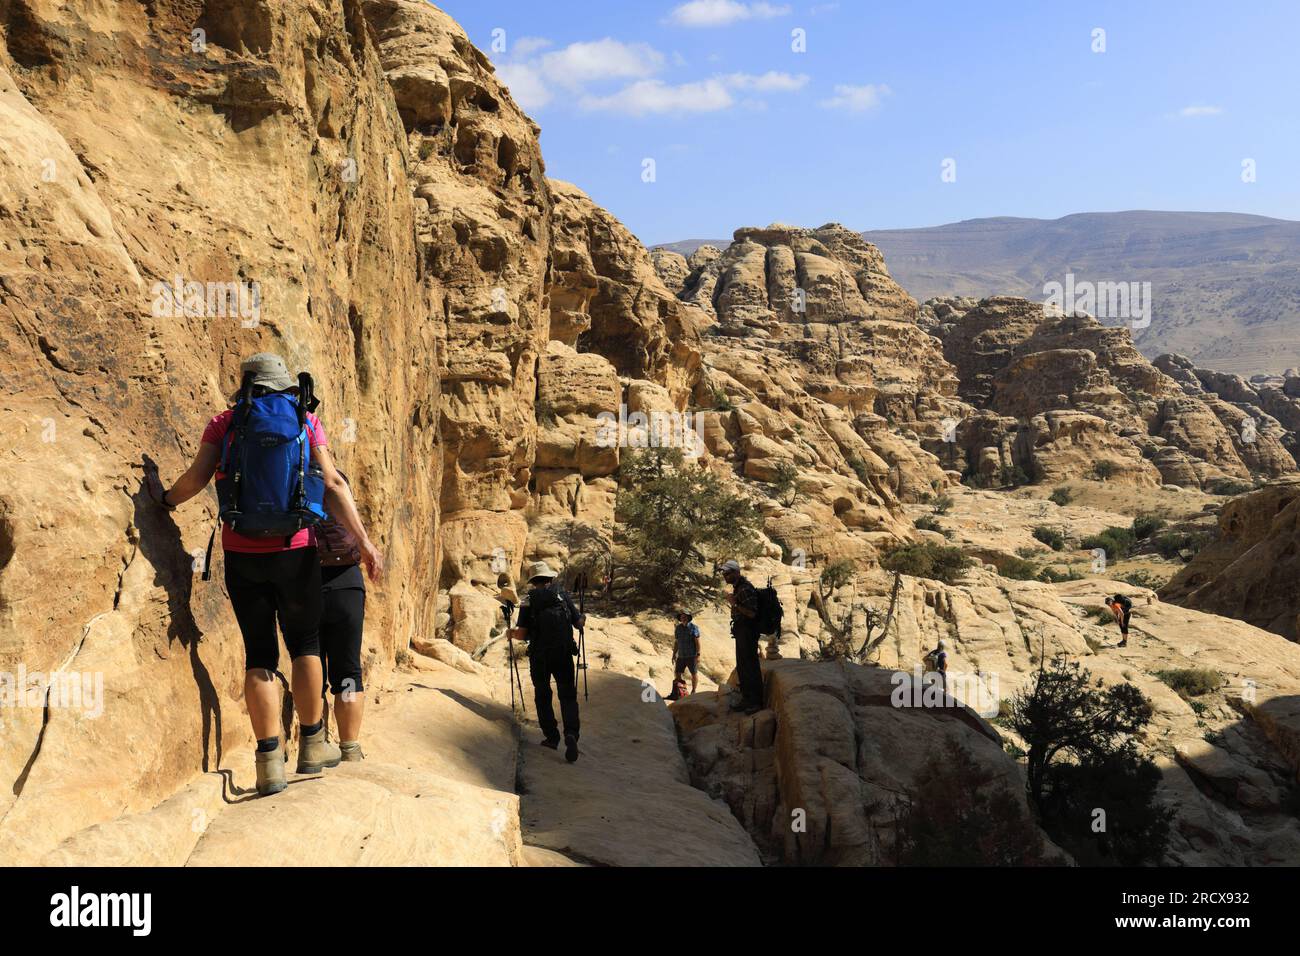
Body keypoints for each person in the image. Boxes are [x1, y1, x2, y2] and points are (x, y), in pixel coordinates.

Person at [148, 353, 383, 797]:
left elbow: (197, 479)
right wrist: (365, 542)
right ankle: (313, 745)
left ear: (247, 385)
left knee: (259, 655)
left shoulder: (225, 422)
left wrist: (163, 502)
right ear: (285, 386)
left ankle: (269, 761)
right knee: (305, 645)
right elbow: (332, 484)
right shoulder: (305, 420)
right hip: (295, 551)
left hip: (243, 553)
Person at [510, 561, 585, 763]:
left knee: (543, 695)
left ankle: (552, 737)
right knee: (567, 695)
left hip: (539, 655)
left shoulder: (528, 601)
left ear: (533, 581)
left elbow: (522, 634)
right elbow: (578, 623)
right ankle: (571, 733)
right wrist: (582, 618)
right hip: (562, 653)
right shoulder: (562, 595)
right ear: (550, 578)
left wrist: (511, 634)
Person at [316, 470, 368, 761]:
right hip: (346, 582)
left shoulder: (291, 483)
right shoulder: (339, 481)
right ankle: (349, 747)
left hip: (305, 582)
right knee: (347, 672)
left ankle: (315, 741)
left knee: (309, 664)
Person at [720, 560, 762, 714]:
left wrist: (734, 603)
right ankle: (747, 699)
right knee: (743, 665)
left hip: (748, 631)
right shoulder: (739, 588)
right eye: (724, 573)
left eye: (728, 573)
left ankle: (755, 702)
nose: (725, 575)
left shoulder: (744, 589)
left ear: (736, 572)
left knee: (750, 665)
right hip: (742, 630)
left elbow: (752, 613)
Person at [672, 611, 701, 697]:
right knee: (677, 673)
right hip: (681, 655)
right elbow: (676, 642)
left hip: (691, 655)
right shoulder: (678, 628)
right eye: (682, 617)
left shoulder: (694, 628)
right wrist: (674, 654)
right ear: (680, 618)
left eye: (685, 617)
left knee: (694, 673)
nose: (683, 618)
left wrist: (698, 654)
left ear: (688, 618)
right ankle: (681, 691)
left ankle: (694, 691)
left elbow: (697, 642)